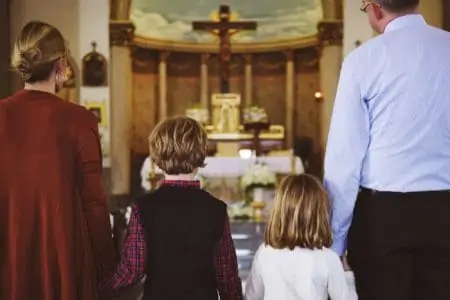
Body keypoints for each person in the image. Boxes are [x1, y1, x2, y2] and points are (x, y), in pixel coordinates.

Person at [324, 0, 450, 299]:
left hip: (383, 217)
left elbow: (345, 158)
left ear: (376, 8)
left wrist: (336, 241)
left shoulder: (362, 60)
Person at [0, 21, 116, 299]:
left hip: (9, 255)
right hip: (64, 257)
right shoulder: (80, 119)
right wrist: (108, 265)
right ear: (61, 64)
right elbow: (94, 204)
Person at [100, 116, 242, 300]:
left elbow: (131, 271)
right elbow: (227, 278)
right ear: (200, 153)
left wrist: (97, 289)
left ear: (158, 157)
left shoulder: (143, 208)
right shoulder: (216, 209)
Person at [245, 174, 356, 300]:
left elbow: (251, 297)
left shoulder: (265, 253)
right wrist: (347, 275)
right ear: (319, 215)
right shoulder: (328, 258)